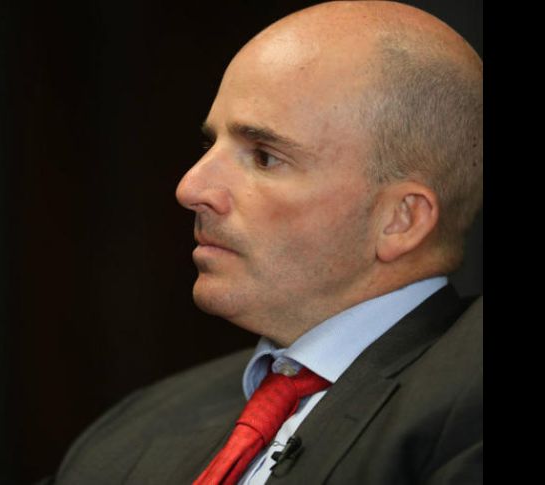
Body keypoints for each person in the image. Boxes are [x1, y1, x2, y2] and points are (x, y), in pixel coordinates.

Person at [46, 1, 482, 483]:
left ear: (400, 220)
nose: (191, 188)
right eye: (209, 144)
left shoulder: (465, 397)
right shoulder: (132, 430)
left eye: (264, 156)